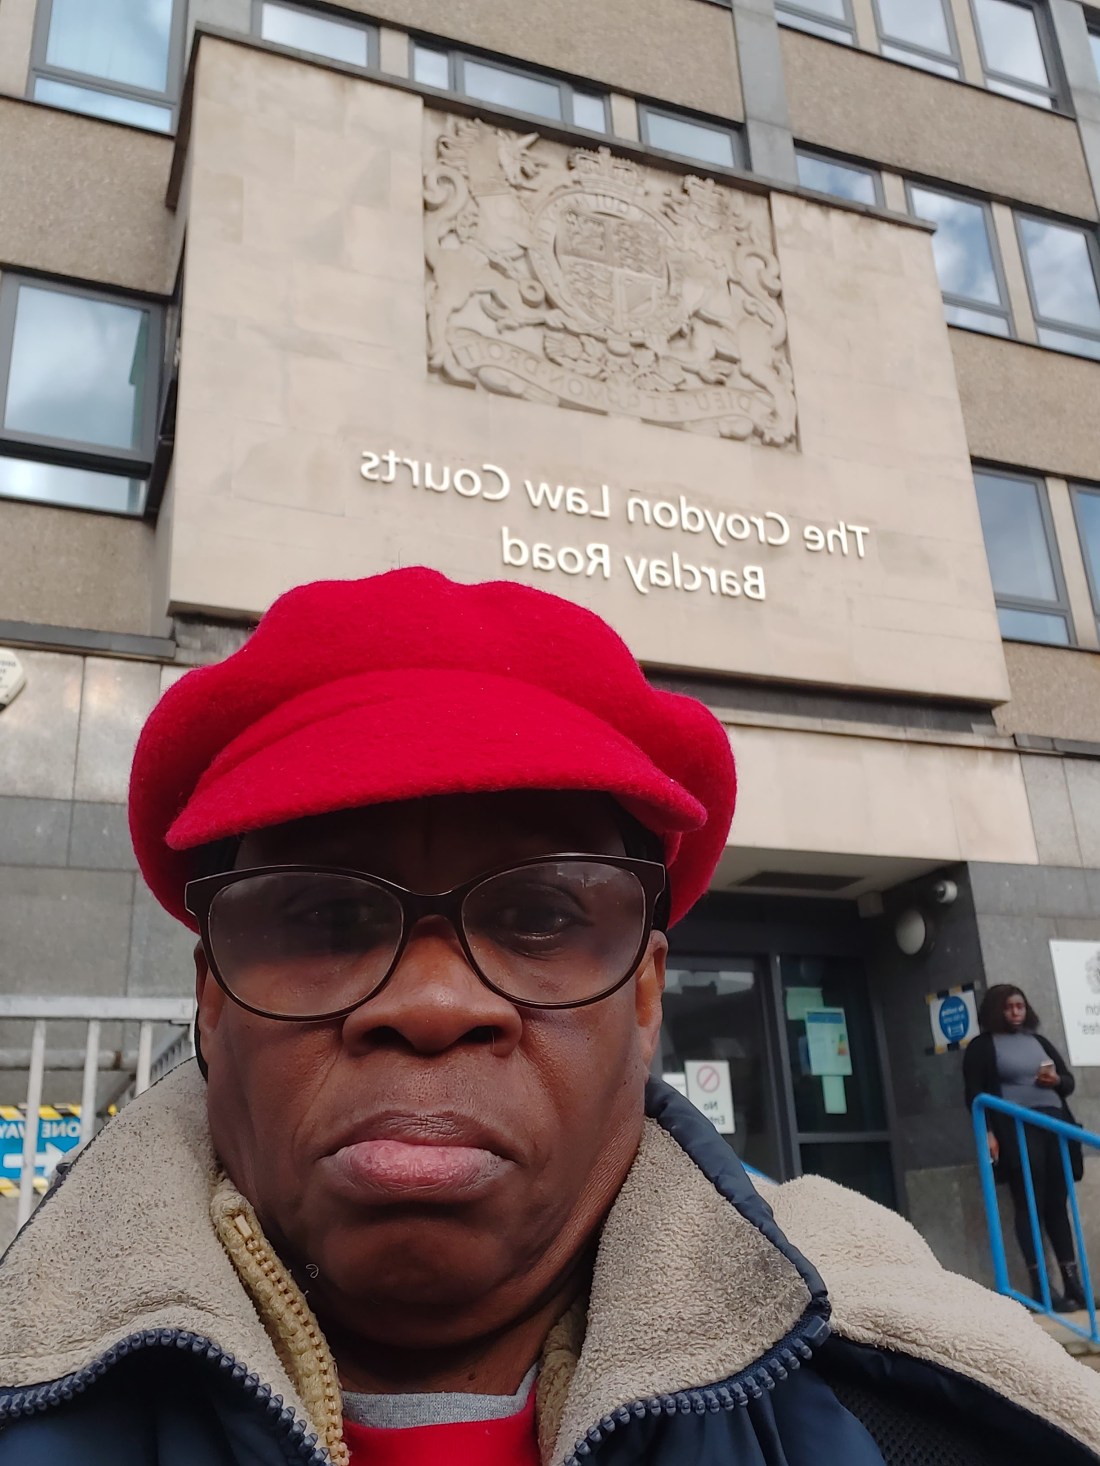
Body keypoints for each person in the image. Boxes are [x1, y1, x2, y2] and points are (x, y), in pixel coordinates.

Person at [1, 568, 1099, 1466]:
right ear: (211, 998)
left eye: (538, 916)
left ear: (645, 996)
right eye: (328, 917)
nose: (433, 1002)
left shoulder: (942, 1417)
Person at [964, 982, 1091, 1310]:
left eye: (1020, 1006)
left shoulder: (1038, 1041)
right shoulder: (982, 1046)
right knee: (1029, 1203)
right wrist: (988, 1133)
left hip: (1055, 1126)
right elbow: (974, 1094)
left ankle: (1073, 1283)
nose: (1016, 1012)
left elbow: (1068, 1082)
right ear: (996, 1010)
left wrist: (1056, 1081)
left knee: (1057, 1203)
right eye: (1009, 1007)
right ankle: (1041, 1288)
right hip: (1016, 1129)